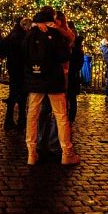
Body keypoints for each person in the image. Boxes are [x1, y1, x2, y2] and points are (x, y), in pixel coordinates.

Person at [24, 8, 80, 166]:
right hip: (54, 80)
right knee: (61, 116)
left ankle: (31, 153)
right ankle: (66, 153)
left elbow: (23, 53)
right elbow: (64, 55)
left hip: (35, 80)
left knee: (32, 116)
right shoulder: (55, 33)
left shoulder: (31, 33)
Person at [3, 16, 30, 130]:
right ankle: (20, 120)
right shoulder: (21, 36)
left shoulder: (12, 34)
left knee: (14, 95)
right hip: (20, 70)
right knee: (20, 96)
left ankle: (12, 120)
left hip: (14, 69)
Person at [66, 21, 84, 123]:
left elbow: (78, 63)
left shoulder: (77, 49)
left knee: (71, 98)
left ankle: (71, 118)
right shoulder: (73, 48)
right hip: (70, 75)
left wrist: (72, 70)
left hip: (72, 76)